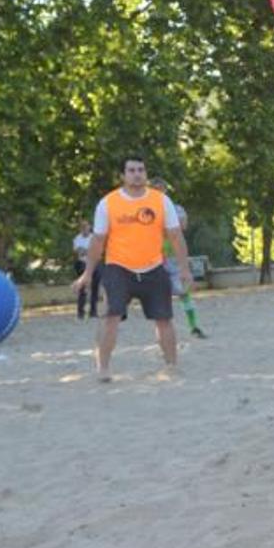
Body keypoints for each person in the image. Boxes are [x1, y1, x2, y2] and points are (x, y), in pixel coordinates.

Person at [72, 154, 193, 382]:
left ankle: (171, 366)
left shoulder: (161, 201)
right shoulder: (108, 203)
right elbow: (98, 240)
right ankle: (103, 369)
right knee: (110, 316)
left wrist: (185, 269)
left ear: (145, 174)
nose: (137, 174)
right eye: (132, 170)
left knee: (164, 319)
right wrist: (87, 274)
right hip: (119, 267)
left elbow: (176, 236)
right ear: (122, 176)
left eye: (141, 170)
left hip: (154, 267)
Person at [150, 178, 205, 339]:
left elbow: (181, 226)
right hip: (156, 257)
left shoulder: (176, 209)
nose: (159, 193)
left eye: (161, 189)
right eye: (155, 190)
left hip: (174, 257)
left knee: (184, 292)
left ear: (166, 191)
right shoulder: (146, 211)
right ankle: (164, 331)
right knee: (160, 295)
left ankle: (194, 326)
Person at [72, 219, 100, 319]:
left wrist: (87, 251)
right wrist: (89, 251)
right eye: (82, 227)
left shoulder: (94, 238)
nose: (84, 229)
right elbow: (79, 252)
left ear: (90, 227)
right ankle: (80, 312)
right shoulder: (77, 239)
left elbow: (96, 251)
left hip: (95, 263)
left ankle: (93, 311)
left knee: (95, 288)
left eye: (86, 226)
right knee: (82, 288)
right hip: (82, 264)